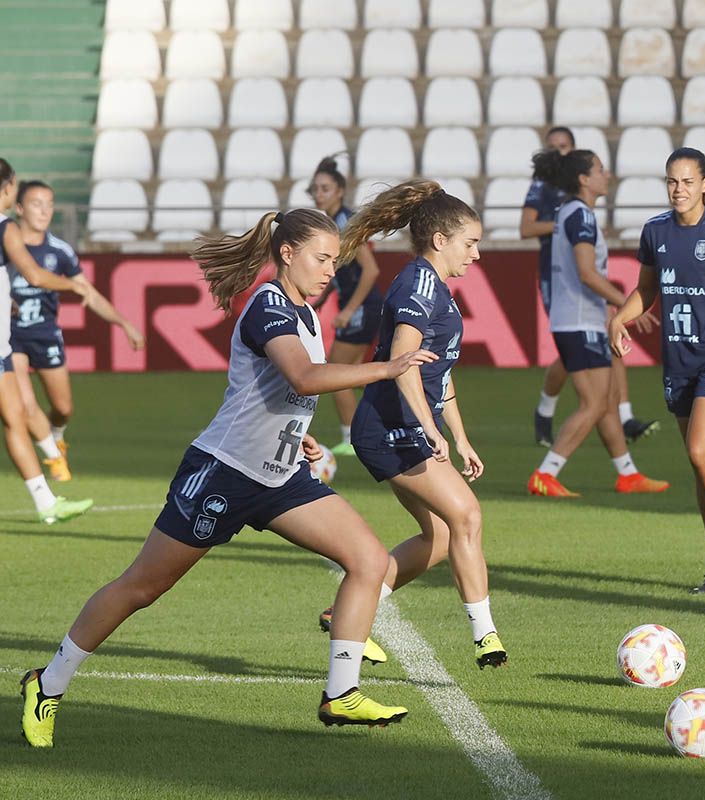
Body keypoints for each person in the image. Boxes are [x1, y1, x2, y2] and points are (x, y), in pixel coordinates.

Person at [19, 208, 437, 747]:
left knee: (370, 559)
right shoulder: (269, 305)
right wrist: (388, 367)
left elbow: (290, 392)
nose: (332, 268)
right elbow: (304, 375)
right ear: (287, 253)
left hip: (282, 477)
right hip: (223, 473)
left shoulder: (307, 314)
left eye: (337, 259)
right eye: (322, 257)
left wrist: (298, 433)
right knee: (142, 587)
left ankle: (342, 693)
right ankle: (46, 684)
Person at [326, 179, 507, 669]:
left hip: (400, 425)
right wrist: (429, 430)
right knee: (466, 516)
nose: (477, 254)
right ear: (440, 240)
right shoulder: (418, 283)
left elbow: (438, 376)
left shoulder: (437, 290)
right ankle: (486, 637)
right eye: (471, 243)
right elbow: (404, 361)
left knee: (443, 537)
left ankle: (345, 613)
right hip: (392, 427)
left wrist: (461, 439)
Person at [608, 148, 705, 594]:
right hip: (679, 360)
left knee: (701, 451)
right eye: (672, 181)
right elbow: (645, 291)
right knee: (704, 464)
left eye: (688, 181)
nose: (679, 190)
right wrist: (621, 317)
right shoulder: (655, 230)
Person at [526, 149, 669, 498]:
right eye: (601, 170)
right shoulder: (582, 217)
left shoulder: (573, 214)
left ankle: (628, 474)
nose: (608, 175)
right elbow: (588, 274)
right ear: (584, 179)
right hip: (579, 321)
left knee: (604, 401)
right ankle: (546, 472)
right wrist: (631, 306)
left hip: (579, 319)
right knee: (594, 404)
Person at [12, 179, 146, 481]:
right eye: (36, 203)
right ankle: (52, 457)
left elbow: (89, 293)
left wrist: (123, 323)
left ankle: (57, 435)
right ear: (19, 208)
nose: (44, 210)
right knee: (24, 403)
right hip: (9, 335)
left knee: (62, 408)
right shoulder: (7, 245)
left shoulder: (59, 251)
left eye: (49, 204)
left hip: (45, 333)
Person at [0, 158, 95, 523]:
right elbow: (35, 274)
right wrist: (71, 283)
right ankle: (46, 499)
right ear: (8, 187)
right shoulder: (6, 227)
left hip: (5, 345)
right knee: (13, 419)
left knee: (14, 417)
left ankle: (46, 502)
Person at [308, 155, 384, 456]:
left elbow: (371, 270)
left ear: (339, 191)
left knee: (337, 376)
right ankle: (395, 406)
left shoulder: (346, 222)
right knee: (352, 375)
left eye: (325, 188)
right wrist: (325, 298)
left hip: (363, 308)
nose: (319, 194)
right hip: (360, 306)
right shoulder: (332, 222)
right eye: (315, 189)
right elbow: (342, 271)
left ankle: (353, 440)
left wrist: (349, 310)